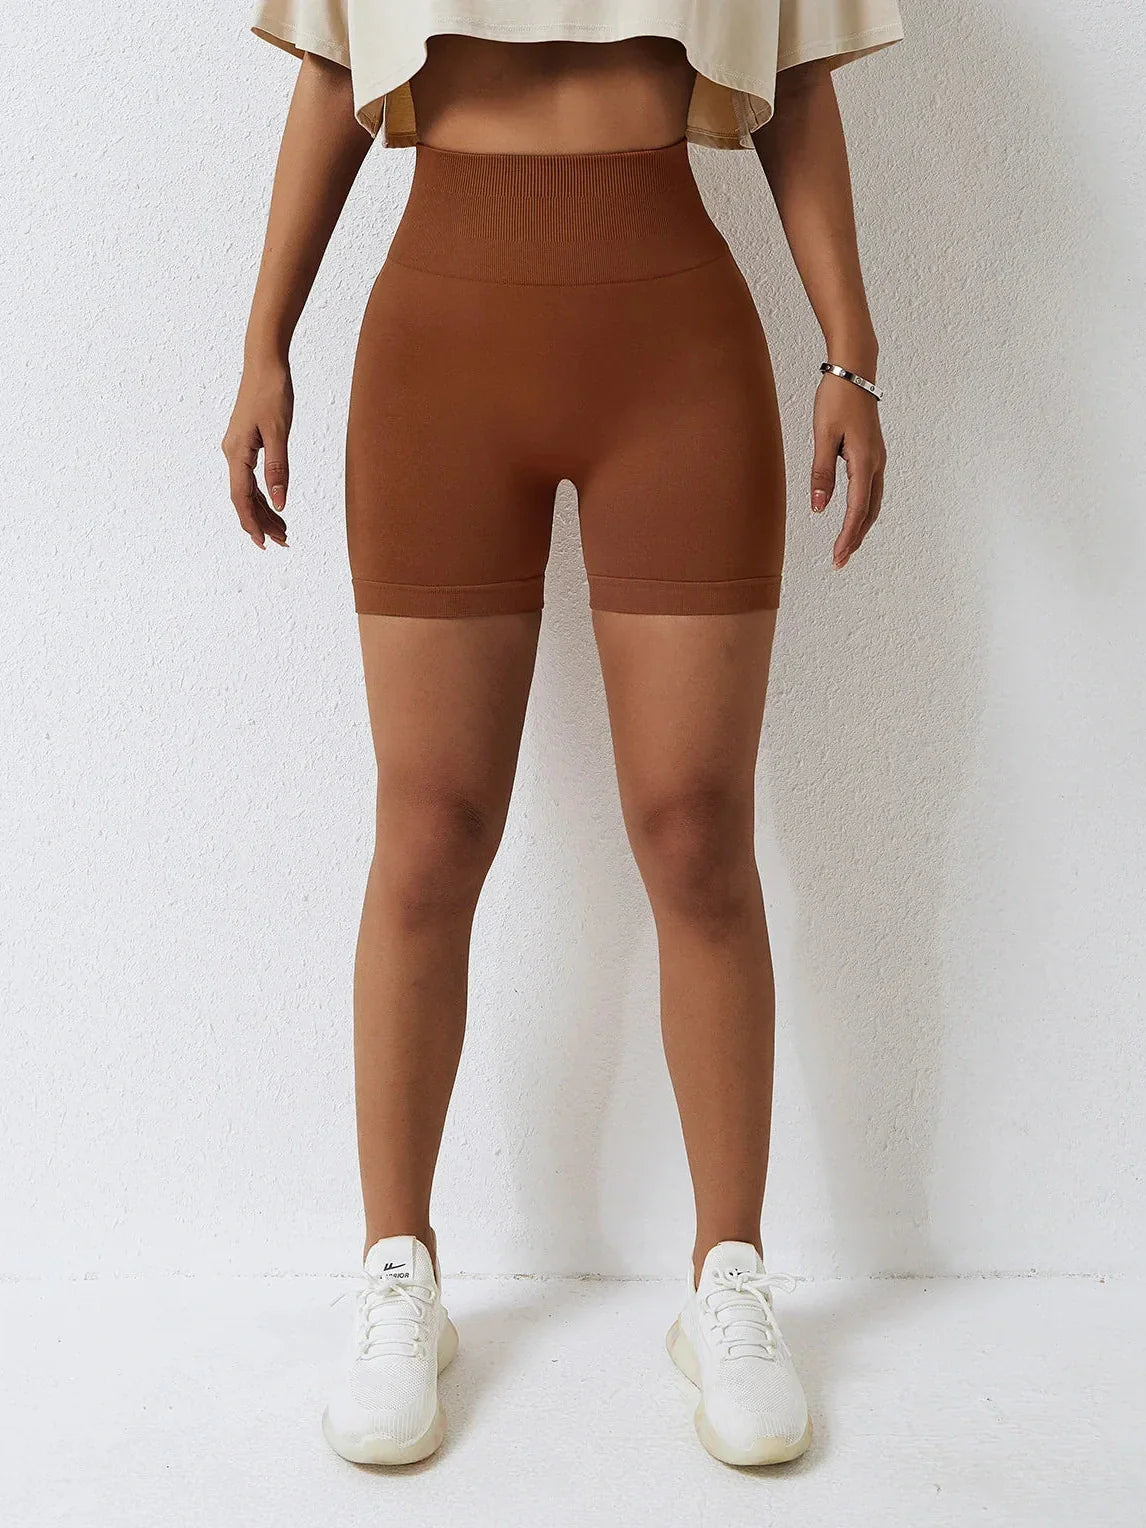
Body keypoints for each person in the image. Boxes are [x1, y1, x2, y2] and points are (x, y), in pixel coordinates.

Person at [224, 0, 902, 1470]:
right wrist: (264, 341)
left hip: (675, 355)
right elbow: (334, 70)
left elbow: (791, 79)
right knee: (428, 831)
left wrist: (848, 353)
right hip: (437, 355)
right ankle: (397, 1270)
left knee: (694, 828)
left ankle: (728, 1274)